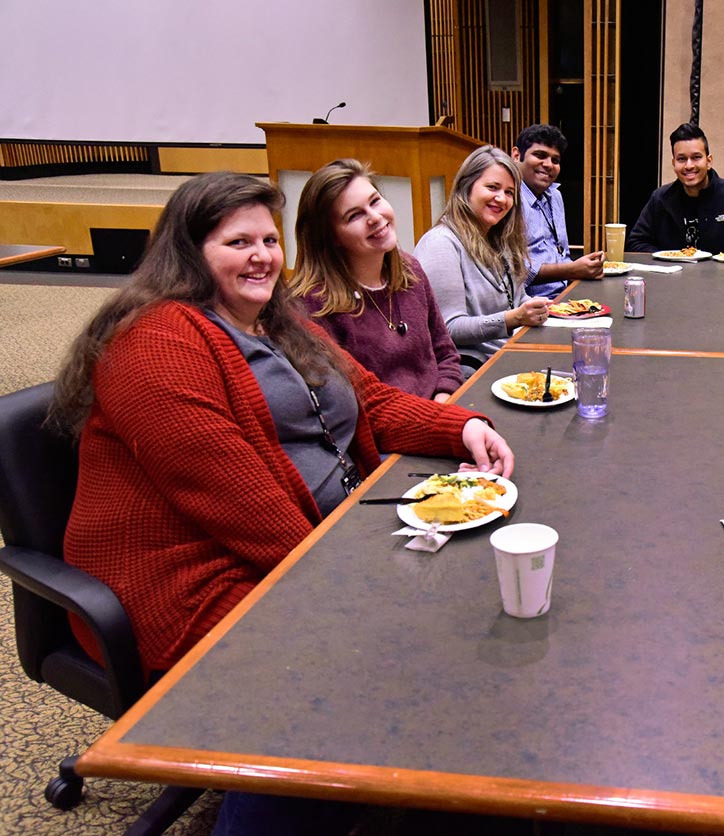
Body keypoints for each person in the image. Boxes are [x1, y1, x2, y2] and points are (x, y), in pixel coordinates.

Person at [49, 171, 514, 835]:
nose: (263, 254)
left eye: (269, 238)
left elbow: (368, 400)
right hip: (194, 582)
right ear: (187, 252)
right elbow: (238, 504)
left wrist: (461, 427)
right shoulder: (155, 342)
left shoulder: (274, 319)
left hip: (310, 542)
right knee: (338, 682)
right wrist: (368, 575)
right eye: (238, 241)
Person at [288, 159, 463, 401]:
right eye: (354, 216)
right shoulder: (313, 305)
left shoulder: (410, 270)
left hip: (440, 411)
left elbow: (445, 353)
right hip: (385, 431)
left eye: (375, 201)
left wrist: (444, 398)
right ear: (332, 237)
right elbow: (350, 403)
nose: (375, 217)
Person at [415, 145, 550, 373]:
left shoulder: (499, 237)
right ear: (466, 187)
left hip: (511, 352)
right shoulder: (441, 243)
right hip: (473, 369)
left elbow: (516, 299)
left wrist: (535, 307)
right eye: (492, 187)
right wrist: (512, 319)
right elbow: (448, 328)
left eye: (509, 192)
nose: (502, 199)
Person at [626, 122, 724, 254]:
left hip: (721, 276)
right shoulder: (661, 198)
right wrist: (668, 258)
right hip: (671, 275)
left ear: (709, 161)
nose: (689, 165)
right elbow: (636, 243)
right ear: (674, 163)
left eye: (696, 157)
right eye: (681, 159)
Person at [511, 124, 604, 298]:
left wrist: (584, 268)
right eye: (540, 155)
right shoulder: (508, 200)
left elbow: (562, 254)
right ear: (517, 155)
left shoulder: (555, 196)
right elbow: (515, 273)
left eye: (555, 160)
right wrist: (572, 270)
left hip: (566, 293)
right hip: (530, 305)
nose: (548, 165)